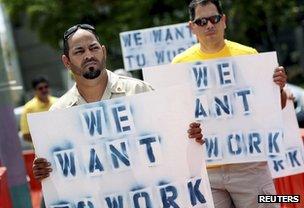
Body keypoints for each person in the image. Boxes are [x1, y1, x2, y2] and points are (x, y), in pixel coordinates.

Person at [32, 24, 204, 182]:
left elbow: (172, 138)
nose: (89, 55)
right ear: (66, 61)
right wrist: (46, 171)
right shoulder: (59, 113)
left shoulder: (139, 91)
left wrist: (190, 135)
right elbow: (61, 168)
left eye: (94, 48)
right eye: (79, 51)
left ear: (104, 51)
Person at [172, 0, 287, 208]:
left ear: (224, 21)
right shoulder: (179, 65)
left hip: (250, 165)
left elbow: (275, 107)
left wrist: (277, 88)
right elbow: (173, 117)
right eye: (201, 21)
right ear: (192, 27)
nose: (209, 25)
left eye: (214, 19)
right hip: (206, 169)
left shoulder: (249, 56)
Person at [20, 76, 57, 142]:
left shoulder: (58, 102)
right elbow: (26, 134)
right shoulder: (29, 108)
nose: (44, 90)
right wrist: (44, 140)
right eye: (40, 88)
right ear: (35, 91)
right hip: (42, 150)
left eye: (46, 87)